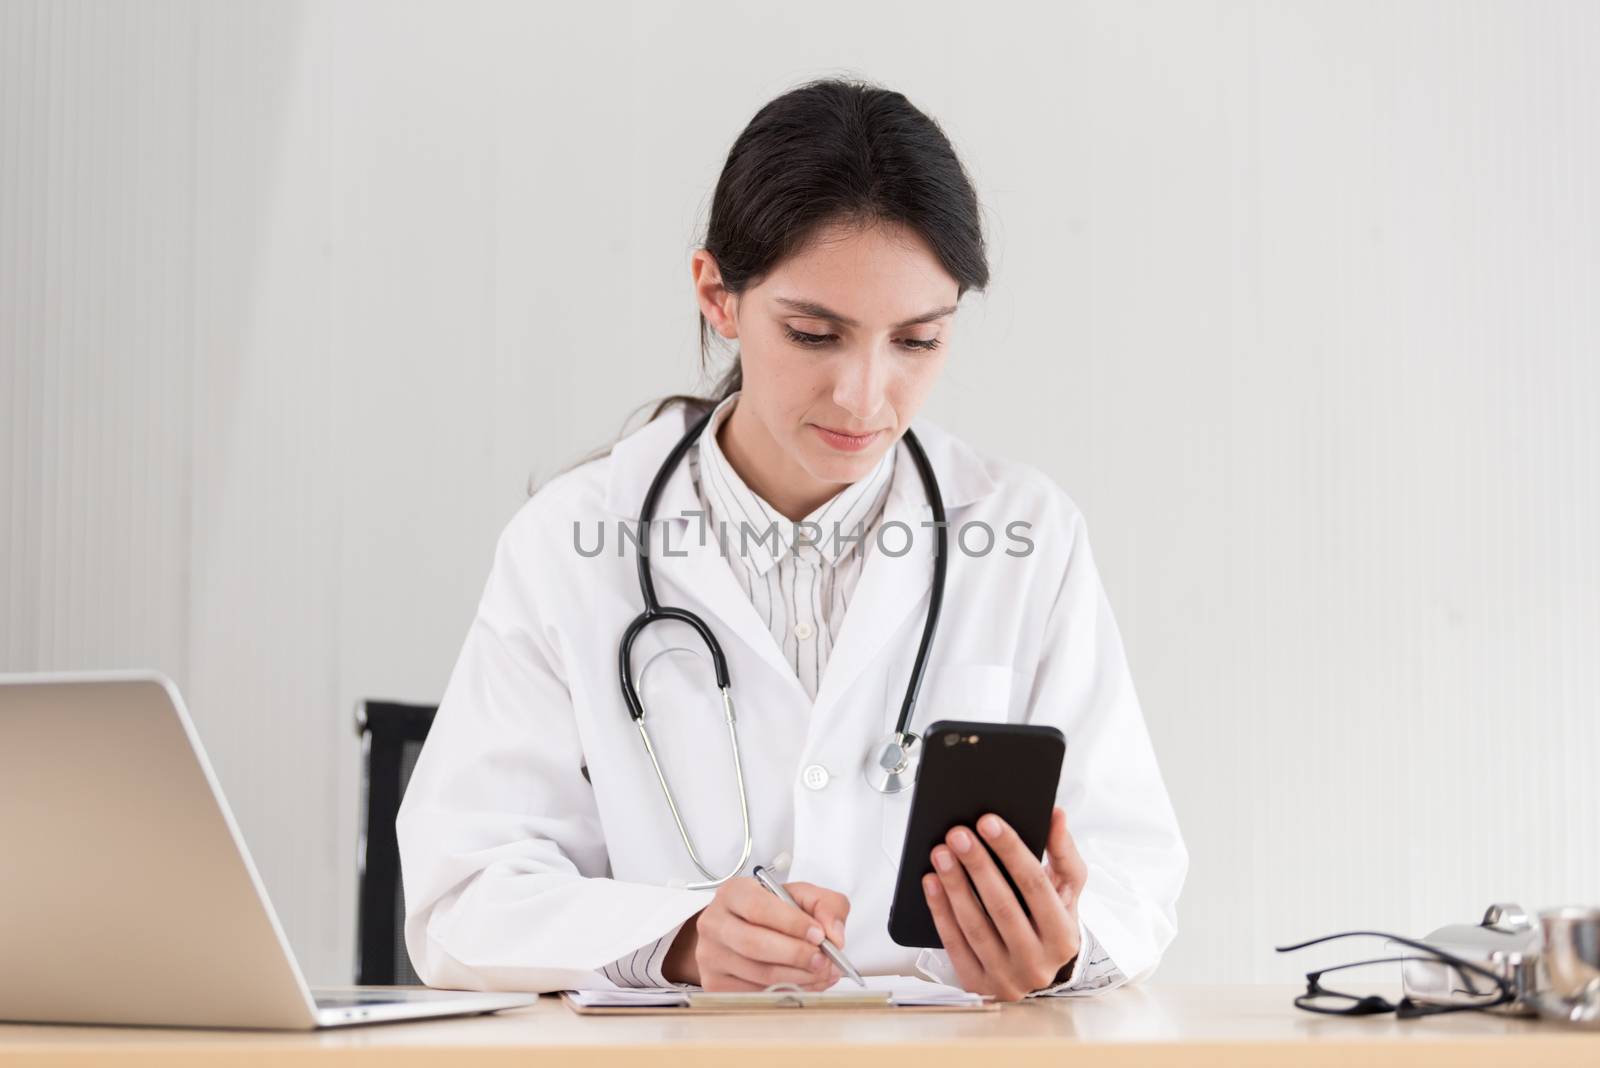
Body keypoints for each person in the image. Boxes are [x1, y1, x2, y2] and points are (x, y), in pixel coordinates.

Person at [396, 76, 1186, 1002]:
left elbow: (1134, 879)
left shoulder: (1026, 537)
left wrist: (1056, 949)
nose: (865, 395)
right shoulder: (570, 542)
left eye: (918, 342)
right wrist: (680, 939)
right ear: (718, 297)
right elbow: (463, 897)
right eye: (815, 334)